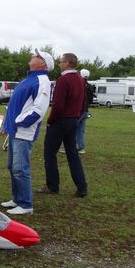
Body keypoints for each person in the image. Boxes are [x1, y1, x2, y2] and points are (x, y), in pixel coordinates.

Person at [0, 52, 53, 215]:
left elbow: (39, 110)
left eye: (36, 55)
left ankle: (26, 204)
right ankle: (17, 199)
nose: (32, 56)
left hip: (24, 132)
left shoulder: (42, 82)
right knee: (12, 167)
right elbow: (16, 104)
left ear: (42, 64)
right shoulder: (28, 79)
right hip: (15, 130)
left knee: (20, 168)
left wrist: (19, 122)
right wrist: (7, 125)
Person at [41, 53, 88, 198]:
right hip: (73, 120)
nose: (60, 64)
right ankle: (82, 187)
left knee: (49, 153)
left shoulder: (63, 80)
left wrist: (50, 120)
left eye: (61, 61)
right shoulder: (80, 79)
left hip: (60, 121)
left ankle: (52, 186)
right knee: (72, 154)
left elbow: (58, 105)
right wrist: (77, 116)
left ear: (67, 63)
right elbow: (83, 102)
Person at [72, 68, 94, 154]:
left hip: (78, 110)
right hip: (86, 110)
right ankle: (81, 148)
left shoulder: (79, 84)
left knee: (72, 129)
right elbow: (91, 100)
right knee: (81, 130)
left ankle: (70, 147)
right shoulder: (90, 86)